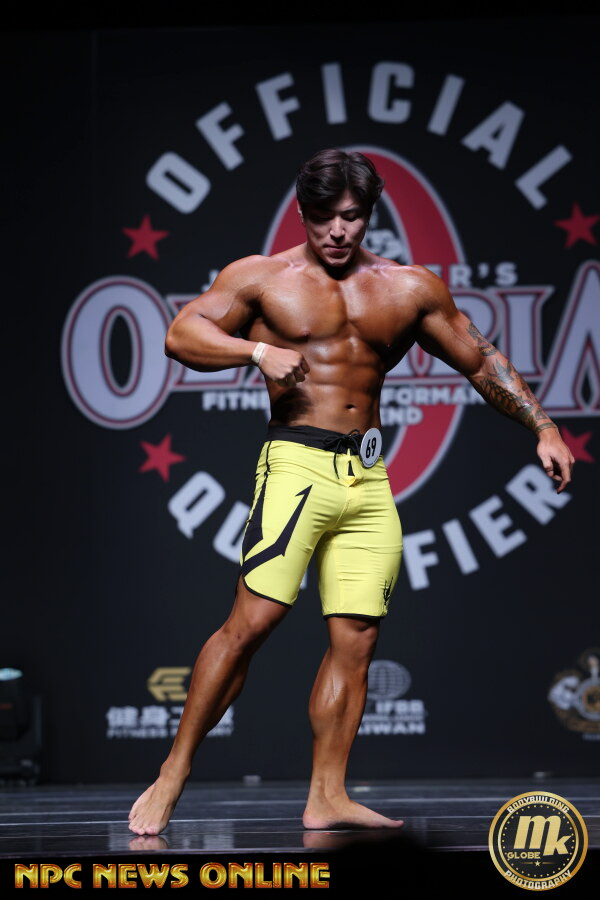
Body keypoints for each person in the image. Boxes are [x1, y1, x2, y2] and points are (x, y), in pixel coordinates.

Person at [128, 148, 574, 836]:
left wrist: (542, 426)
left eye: (352, 216)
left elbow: (479, 357)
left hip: (367, 479)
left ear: (369, 214)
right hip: (296, 465)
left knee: (357, 639)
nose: (338, 230)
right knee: (251, 623)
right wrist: (256, 352)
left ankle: (328, 795)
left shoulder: (408, 288)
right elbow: (180, 333)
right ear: (303, 213)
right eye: (324, 216)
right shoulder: (262, 278)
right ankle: (173, 772)